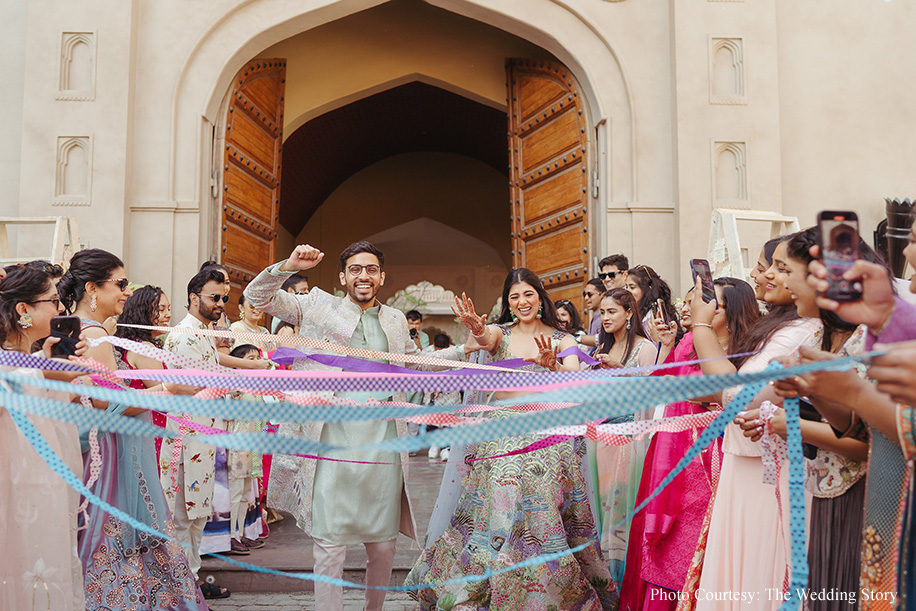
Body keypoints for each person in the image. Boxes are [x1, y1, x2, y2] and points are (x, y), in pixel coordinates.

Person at [244, 241, 464, 611]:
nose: (364, 276)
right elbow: (257, 296)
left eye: (372, 269)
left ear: (382, 277)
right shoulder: (316, 305)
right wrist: (288, 265)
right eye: (356, 269)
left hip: (383, 442)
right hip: (331, 440)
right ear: (343, 277)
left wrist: (465, 350)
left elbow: (415, 363)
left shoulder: (395, 320)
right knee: (329, 544)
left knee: (383, 546)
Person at [406, 268, 616, 611]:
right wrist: (476, 328)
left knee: (543, 510)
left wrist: (553, 368)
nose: (522, 302)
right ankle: (490, 584)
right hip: (502, 435)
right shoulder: (500, 333)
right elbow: (485, 338)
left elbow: (576, 377)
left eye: (528, 294)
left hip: (547, 435)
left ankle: (545, 591)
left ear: (540, 297)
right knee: (499, 508)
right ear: (508, 302)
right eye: (514, 296)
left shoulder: (562, 339)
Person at [58, 248, 208, 608]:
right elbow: (109, 405)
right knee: (115, 545)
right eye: (121, 283)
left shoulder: (81, 329)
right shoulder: (94, 335)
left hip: (100, 452)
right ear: (92, 288)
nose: (127, 292)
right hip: (111, 458)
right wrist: (168, 389)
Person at [737, 228, 872, 611]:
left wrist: (789, 424)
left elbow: (867, 441)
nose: (772, 277)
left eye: (784, 269)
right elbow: (841, 420)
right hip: (826, 490)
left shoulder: (865, 341)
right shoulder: (819, 341)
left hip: (861, 497)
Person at [688, 234, 822, 611]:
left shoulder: (803, 331)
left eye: (779, 268)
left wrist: (701, 327)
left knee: (759, 579)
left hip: (773, 473)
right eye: (769, 267)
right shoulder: (781, 327)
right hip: (750, 466)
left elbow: (738, 395)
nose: (762, 276)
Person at [619, 278, 759, 611]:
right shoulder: (686, 345)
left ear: (734, 314)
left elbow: (719, 393)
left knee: (712, 541)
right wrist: (667, 347)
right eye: (695, 300)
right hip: (674, 454)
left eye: (711, 304)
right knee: (671, 545)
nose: (697, 308)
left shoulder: (748, 355)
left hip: (718, 457)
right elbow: (662, 385)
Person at [0, 264, 85, 611]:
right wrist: (44, 372)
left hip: (46, 486)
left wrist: (60, 376)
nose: (61, 309)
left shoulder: (34, 360)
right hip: (13, 486)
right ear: (24, 309)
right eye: (53, 300)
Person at [160, 267, 233, 598]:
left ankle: (191, 585)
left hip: (203, 440)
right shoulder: (183, 335)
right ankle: (180, 591)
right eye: (214, 297)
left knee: (197, 517)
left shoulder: (204, 333)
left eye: (224, 298)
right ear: (194, 297)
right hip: (185, 441)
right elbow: (188, 387)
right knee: (180, 519)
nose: (220, 304)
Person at [589, 288, 657, 583]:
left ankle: (625, 580)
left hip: (629, 441)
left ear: (629, 313)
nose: (605, 317)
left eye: (612, 311)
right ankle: (604, 579)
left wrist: (622, 371)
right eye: (602, 312)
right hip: (600, 439)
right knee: (603, 509)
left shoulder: (645, 349)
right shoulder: (600, 349)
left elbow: (654, 394)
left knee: (622, 508)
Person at [625, 265, 680, 344]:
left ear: (647, 288)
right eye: (626, 287)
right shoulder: (636, 310)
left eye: (632, 287)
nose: (627, 291)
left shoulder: (654, 314)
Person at [580, 277, 606, 350]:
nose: (586, 298)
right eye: (584, 294)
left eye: (590, 294)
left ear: (602, 295)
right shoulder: (595, 317)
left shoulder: (604, 317)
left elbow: (603, 342)